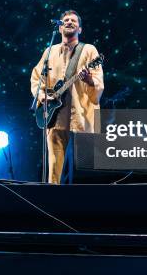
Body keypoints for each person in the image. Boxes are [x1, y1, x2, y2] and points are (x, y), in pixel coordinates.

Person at [30, 10, 104, 184]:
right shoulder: (50, 51)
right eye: (66, 20)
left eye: (73, 21)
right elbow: (36, 78)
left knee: (83, 170)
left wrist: (89, 79)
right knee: (54, 168)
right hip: (55, 118)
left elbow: (98, 81)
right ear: (60, 26)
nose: (69, 22)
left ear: (80, 29)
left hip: (81, 115)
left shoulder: (88, 49)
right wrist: (42, 96)